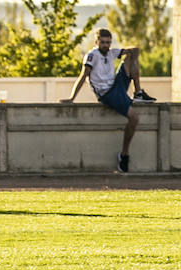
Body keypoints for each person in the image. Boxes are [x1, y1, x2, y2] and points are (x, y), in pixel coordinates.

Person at [63, 28, 151, 173]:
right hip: (107, 94)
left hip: (116, 86)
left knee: (130, 56)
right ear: (96, 42)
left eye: (108, 42)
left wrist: (133, 55)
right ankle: (124, 155)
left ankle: (138, 93)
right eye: (103, 42)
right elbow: (83, 76)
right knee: (134, 118)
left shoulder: (112, 52)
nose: (106, 45)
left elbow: (135, 50)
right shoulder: (92, 56)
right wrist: (72, 98)